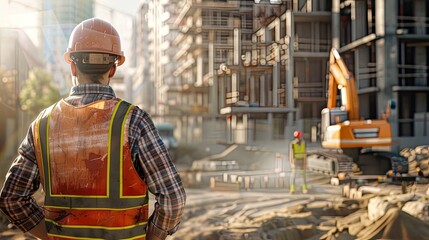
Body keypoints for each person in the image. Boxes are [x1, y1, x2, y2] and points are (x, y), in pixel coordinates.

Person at [0, 18, 186, 240]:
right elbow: (173, 198)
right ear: (113, 69)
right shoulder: (134, 121)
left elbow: (12, 198)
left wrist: (48, 236)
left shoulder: (42, 124)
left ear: (72, 66)